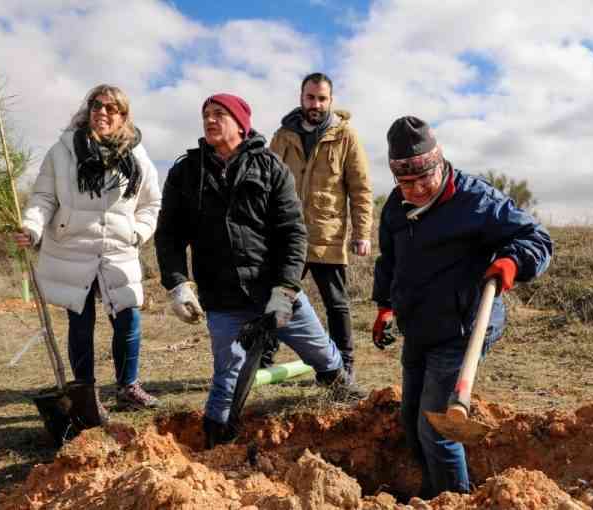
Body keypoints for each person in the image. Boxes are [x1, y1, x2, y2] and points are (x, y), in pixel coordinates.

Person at [154, 93, 364, 448]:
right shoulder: (186, 172)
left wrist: (285, 290)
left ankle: (354, 410)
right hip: (223, 298)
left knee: (323, 355)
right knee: (227, 378)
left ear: (241, 123)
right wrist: (177, 284)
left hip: (277, 293)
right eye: (205, 114)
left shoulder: (270, 168)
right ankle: (217, 448)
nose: (210, 119)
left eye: (219, 113)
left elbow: (293, 233)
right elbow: (170, 235)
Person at [371, 116, 553, 499]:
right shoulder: (394, 206)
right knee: (411, 420)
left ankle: (456, 499)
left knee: (437, 429)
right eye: (408, 182)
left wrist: (513, 262)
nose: (419, 188)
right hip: (419, 325)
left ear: (440, 163)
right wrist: (385, 305)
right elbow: (390, 260)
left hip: (464, 326)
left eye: (427, 177)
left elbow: (536, 238)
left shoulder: (476, 199)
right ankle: (434, 492)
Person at [15, 84, 162, 411]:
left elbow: (151, 204)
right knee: (81, 323)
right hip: (73, 248)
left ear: (124, 116)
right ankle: (86, 394)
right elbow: (43, 197)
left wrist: (137, 232)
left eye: (112, 108)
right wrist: (33, 227)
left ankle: (128, 387)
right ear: (88, 110)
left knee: (128, 319)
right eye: (97, 106)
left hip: (118, 250)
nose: (103, 113)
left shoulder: (137, 155)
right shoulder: (63, 150)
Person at [268, 72, 373, 379]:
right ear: (301, 98)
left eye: (322, 98)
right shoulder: (281, 136)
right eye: (310, 97)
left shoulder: (345, 136)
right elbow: (268, 187)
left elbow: (361, 188)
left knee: (337, 305)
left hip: (328, 236)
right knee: (278, 297)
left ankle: (345, 365)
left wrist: (362, 233)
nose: (316, 104)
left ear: (331, 100)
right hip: (288, 236)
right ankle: (263, 358)